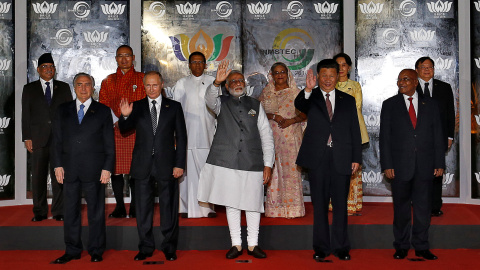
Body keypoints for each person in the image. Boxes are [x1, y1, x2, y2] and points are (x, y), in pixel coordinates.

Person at [197, 60, 274, 259]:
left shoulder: (256, 105)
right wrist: (216, 83)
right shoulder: (220, 103)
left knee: (253, 204)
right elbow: (209, 99)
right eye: (232, 81)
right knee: (232, 204)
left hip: (253, 162)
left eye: (240, 80)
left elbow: (266, 135)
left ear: (245, 84)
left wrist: (268, 164)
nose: (237, 83)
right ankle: (236, 244)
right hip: (227, 162)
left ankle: (253, 244)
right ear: (227, 86)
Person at [295, 59, 362, 261]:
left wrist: (356, 157)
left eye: (331, 76)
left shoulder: (348, 100)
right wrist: (307, 89)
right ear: (318, 77)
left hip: (341, 157)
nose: (327, 79)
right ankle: (321, 248)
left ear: (338, 77)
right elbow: (299, 105)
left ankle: (341, 248)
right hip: (319, 158)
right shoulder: (311, 96)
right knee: (320, 206)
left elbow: (355, 131)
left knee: (341, 206)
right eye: (323, 76)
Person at [118, 71, 187, 262]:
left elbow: (181, 138)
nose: (151, 89)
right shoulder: (137, 106)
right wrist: (124, 117)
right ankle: (146, 247)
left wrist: (179, 164)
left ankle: (169, 247)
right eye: (147, 86)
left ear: (162, 84)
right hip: (142, 165)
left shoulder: (174, 107)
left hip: (167, 165)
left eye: (155, 85)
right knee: (142, 209)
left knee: (168, 208)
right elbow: (124, 130)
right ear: (143, 86)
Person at [380, 69, 445, 260]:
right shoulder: (389, 105)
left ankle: (422, 246)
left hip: (425, 166)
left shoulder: (432, 105)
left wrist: (439, 162)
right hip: (399, 167)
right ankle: (401, 246)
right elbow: (385, 138)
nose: (401, 83)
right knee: (400, 209)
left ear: (416, 81)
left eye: (406, 79)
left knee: (423, 209)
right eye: (399, 79)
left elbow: (438, 136)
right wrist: (387, 164)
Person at [51, 73, 114, 263]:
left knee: (96, 212)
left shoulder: (103, 111)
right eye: (80, 84)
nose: (84, 88)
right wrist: (57, 165)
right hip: (69, 169)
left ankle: (96, 250)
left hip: (94, 170)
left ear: (93, 88)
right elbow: (56, 141)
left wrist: (107, 168)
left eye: (87, 84)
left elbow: (109, 143)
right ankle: (72, 250)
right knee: (70, 212)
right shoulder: (62, 110)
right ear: (74, 87)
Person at [22, 53, 73, 222]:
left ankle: (59, 211)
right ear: (38, 70)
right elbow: (26, 115)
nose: (48, 69)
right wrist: (27, 137)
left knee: (59, 175)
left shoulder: (64, 87)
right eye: (45, 67)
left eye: (51, 67)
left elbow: (69, 113)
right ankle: (40, 211)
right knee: (38, 176)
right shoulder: (29, 89)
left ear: (55, 70)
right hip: (37, 138)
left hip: (59, 139)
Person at [99, 45, 146, 218]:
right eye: (120, 56)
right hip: (115, 129)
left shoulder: (142, 79)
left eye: (127, 55)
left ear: (133, 57)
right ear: (116, 58)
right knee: (116, 169)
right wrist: (118, 121)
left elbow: (145, 104)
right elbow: (103, 104)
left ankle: (135, 207)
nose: (124, 59)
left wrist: (130, 121)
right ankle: (119, 206)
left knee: (136, 169)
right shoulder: (108, 81)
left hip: (136, 130)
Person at [172, 51, 216, 218]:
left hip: (207, 134)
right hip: (187, 135)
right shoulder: (182, 83)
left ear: (205, 64)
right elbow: (176, 110)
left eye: (200, 62)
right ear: (189, 65)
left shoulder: (213, 82)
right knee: (185, 173)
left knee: (206, 172)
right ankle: (184, 207)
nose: (197, 65)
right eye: (194, 62)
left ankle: (207, 208)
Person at [258, 62, 306, 218]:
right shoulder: (266, 93)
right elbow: (257, 114)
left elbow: (305, 114)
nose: (280, 75)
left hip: (290, 138)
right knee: (274, 172)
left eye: (282, 72)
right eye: (276, 72)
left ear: (288, 73)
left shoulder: (296, 93)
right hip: (271, 138)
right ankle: (275, 209)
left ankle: (293, 209)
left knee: (291, 172)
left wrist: (290, 121)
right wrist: (273, 116)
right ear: (271, 75)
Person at [415, 56, 455, 217]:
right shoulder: (410, 85)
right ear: (416, 70)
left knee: (437, 171)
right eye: (423, 67)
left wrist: (449, 136)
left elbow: (450, 114)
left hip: (438, 137)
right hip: (416, 137)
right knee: (416, 171)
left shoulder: (444, 87)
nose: (427, 70)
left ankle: (434, 206)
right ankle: (417, 202)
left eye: (430, 67)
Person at [332, 53, 369, 216]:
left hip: (352, 133)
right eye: (337, 65)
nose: (341, 68)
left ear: (349, 67)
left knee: (352, 169)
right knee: (334, 169)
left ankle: (351, 205)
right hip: (333, 136)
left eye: (344, 65)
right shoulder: (329, 85)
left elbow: (356, 108)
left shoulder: (355, 86)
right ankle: (334, 204)